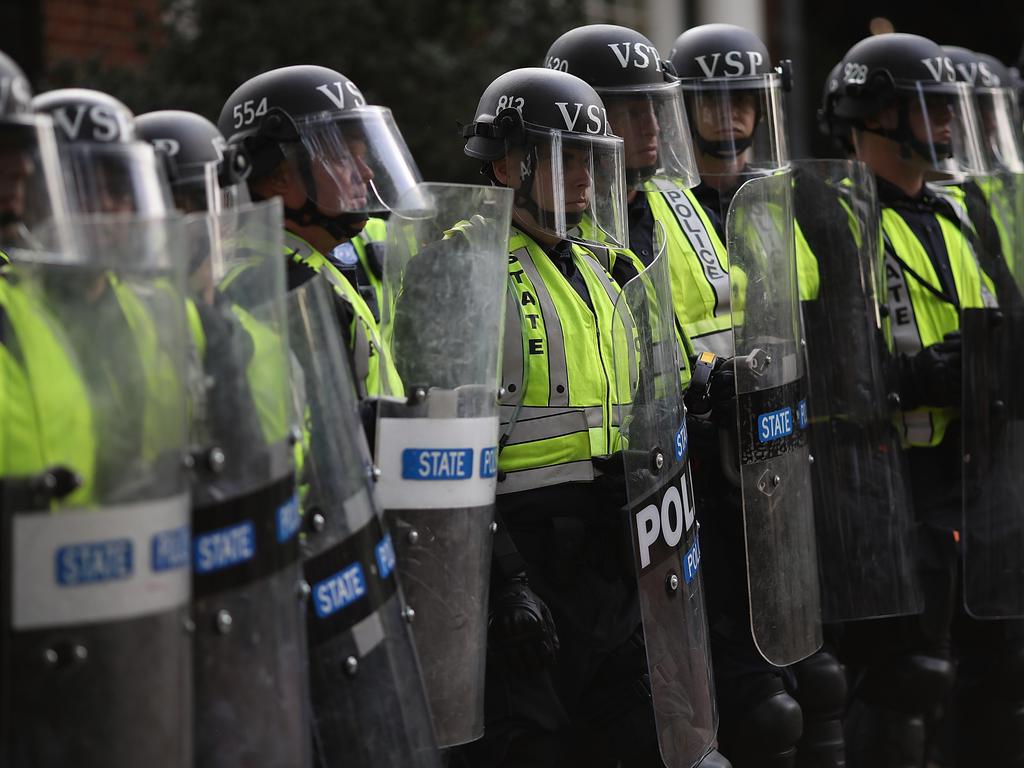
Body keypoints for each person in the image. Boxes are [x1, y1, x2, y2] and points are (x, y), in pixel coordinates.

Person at [452, 66, 663, 767]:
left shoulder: (606, 271)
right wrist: (505, 581)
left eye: (590, 158)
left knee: (641, 743)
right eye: (565, 157)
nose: (583, 175)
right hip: (523, 564)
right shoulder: (467, 268)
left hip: (612, 558)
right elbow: (445, 452)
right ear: (510, 164)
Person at [830, 32, 1024, 766]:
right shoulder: (831, 216)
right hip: (889, 485)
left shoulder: (963, 212)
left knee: (1002, 670)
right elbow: (816, 353)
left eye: (951, 108)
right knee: (906, 684)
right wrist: (916, 378)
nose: (947, 124)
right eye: (929, 108)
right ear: (871, 114)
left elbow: (1009, 315)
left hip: (984, 476)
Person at [217, 65, 418, 399]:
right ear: (276, 176)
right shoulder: (271, 289)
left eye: (364, 157)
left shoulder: (304, 266)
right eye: (342, 158)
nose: (367, 173)